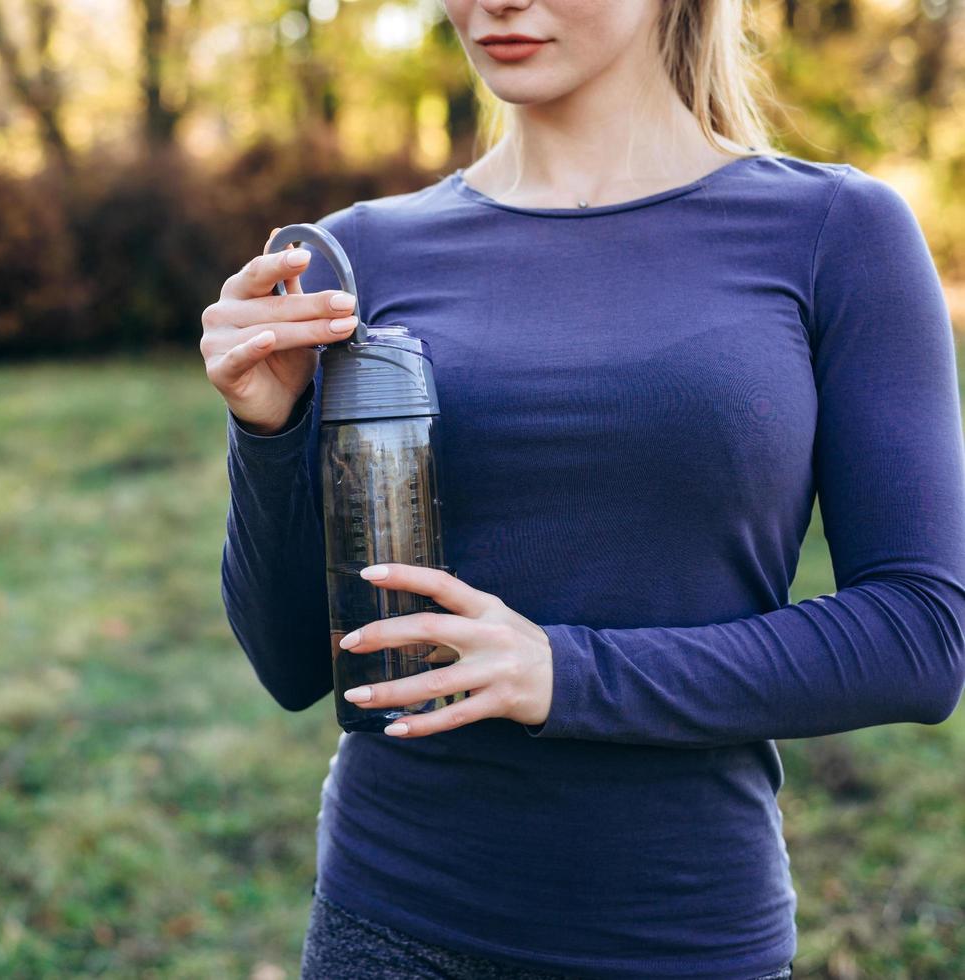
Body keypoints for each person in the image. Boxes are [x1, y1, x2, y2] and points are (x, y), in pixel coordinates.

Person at [199, 0, 965, 973]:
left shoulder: (833, 232)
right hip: (390, 924)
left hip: (680, 934)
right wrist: (267, 432)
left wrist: (565, 673)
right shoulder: (357, 256)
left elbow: (919, 633)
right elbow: (298, 663)